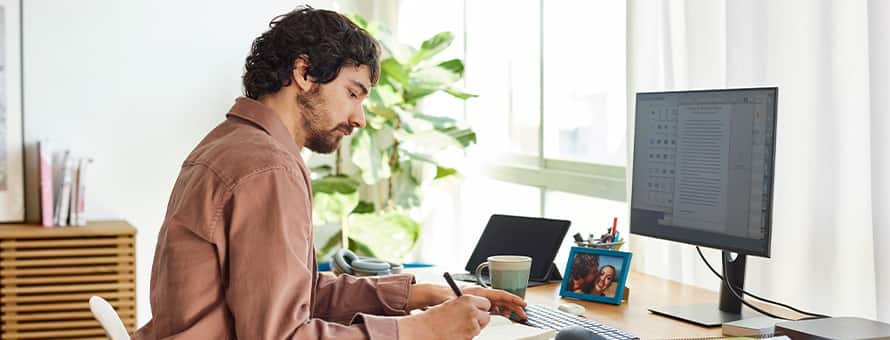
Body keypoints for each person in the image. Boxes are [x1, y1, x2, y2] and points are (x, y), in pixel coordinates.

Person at [133, 6, 526, 340]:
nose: (360, 119)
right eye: (353, 93)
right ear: (304, 73)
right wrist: (418, 330)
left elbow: (292, 291)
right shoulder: (267, 166)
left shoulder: (233, 142)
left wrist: (414, 296)